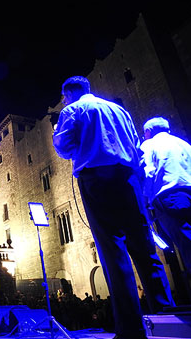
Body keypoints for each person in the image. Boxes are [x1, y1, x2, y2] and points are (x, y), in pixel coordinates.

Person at [52, 76, 174, 339]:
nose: (63, 101)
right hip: (128, 178)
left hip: (96, 179)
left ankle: (131, 329)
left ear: (69, 93)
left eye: (64, 97)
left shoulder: (72, 110)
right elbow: (137, 149)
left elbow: (62, 146)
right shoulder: (119, 110)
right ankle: (167, 319)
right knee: (145, 250)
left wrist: (80, 147)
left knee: (113, 252)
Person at [141, 117, 191, 276]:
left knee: (186, 243)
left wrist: (145, 202)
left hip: (170, 198)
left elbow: (148, 173)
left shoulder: (149, 144)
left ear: (148, 132)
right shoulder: (183, 143)